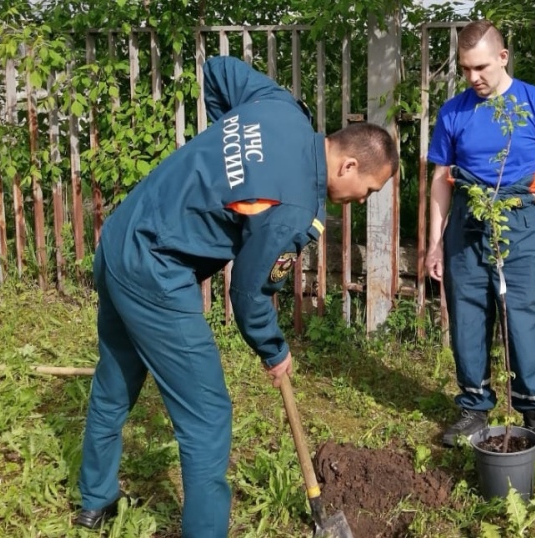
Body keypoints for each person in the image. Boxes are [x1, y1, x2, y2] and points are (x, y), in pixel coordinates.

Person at [74, 55, 398, 536]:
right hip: (155, 270)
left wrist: (232, 152)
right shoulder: (294, 210)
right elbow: (247, 294)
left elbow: (219, 69)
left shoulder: (281, 109)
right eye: (367, 189)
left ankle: (94, 501)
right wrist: (274, 350)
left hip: (119, 238)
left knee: (116, 378)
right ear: (349, 164)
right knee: (207, 417)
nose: (360, 200)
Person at [426, 20, 535, 460]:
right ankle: (474, 406)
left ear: (503, 57)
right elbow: (440, 180)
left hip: (522, 226)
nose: (474, 78)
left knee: (526, 317)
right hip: (467, 229)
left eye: (481, 67)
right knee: (468, 316)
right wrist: (436, 242)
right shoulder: (453, 112)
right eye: (465, 69)